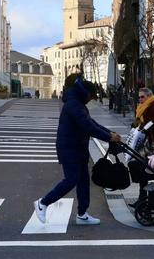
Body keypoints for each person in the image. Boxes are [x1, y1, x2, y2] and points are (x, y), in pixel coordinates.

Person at [35, 74, 122, 225]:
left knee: (83, 181)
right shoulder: (74, 105)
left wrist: (109, 133)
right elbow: (88, 127)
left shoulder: (78, 104)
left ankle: (82, 214)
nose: (92, 99)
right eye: (91, 96)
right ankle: (43, 203)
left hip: (78, 147)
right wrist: (109, 137)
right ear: (85, 93)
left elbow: (91, 123)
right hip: (70, 148)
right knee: (71, 180)